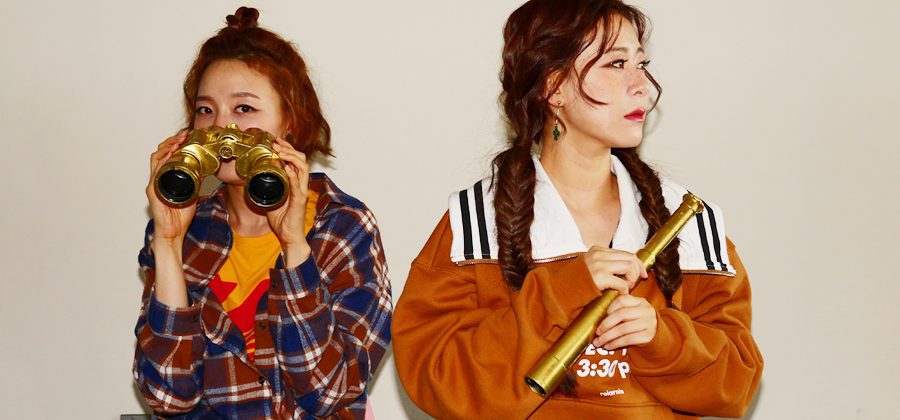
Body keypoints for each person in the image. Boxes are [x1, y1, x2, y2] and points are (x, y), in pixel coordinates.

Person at [392, 0, 762, 418]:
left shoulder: (689, 223)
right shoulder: (476, 224)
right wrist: (561, 291)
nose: (641, 84)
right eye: (616, 64)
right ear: (554, 87)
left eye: (641, 64)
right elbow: (436, 376)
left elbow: (738, 382)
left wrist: (663, 338)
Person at [132, 7, 392, 419]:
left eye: (244, 110)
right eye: (206, 110)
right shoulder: (189, 230)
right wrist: (167, 244)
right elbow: (168, 397)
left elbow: (329, 392)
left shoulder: (342, 225)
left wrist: (294, 246)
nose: (222, 129)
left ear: (289, 121)